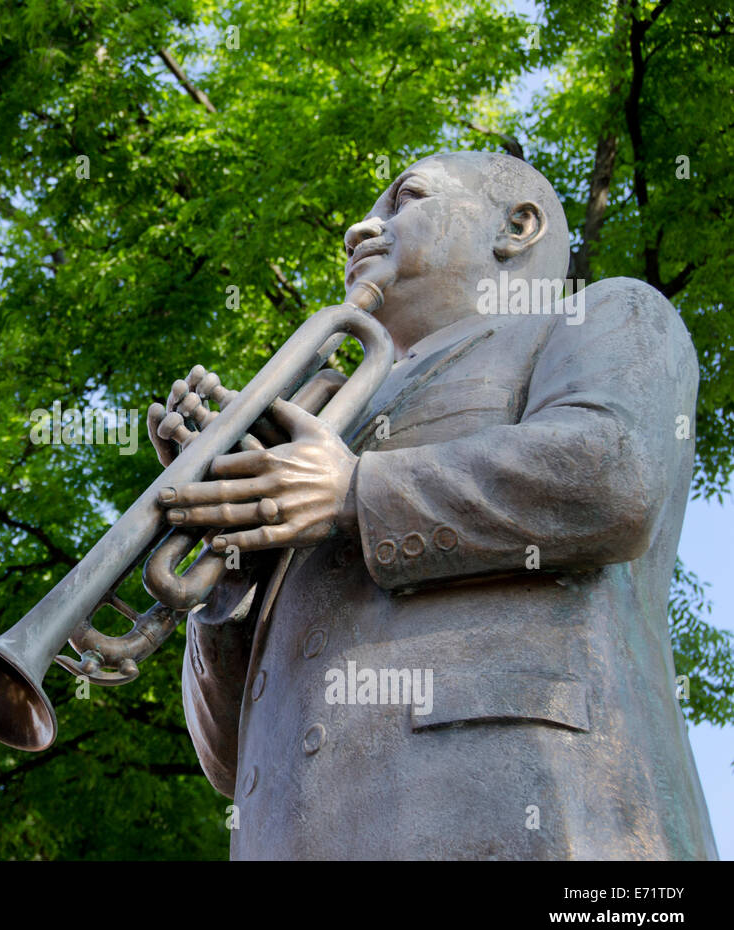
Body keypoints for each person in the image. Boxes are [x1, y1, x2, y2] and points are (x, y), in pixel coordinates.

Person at [148, 151, 718, 859]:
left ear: (516, 227)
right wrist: (235, 548)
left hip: (522, 817)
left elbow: (613, 473)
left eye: (405, 200)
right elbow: (228, 761)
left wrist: (356, 491)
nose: (361, 228)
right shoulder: (329, 422)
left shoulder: (604, 312)